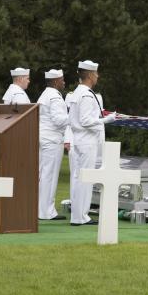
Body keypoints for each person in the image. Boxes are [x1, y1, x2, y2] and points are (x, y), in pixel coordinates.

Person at [68, 60, 116, 226]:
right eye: (95, 74)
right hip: (86, 141)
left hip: (79, 140)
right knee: (85, 179)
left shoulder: (77, 93)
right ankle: (81, 216)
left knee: (78, 178)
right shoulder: (87, 94)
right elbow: (86, 120)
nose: (97, 76)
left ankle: (77, 215)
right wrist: (106, 120)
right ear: (89, 76)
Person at [36, 69, 68, 221]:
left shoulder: (44, 94)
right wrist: (73, 116)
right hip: (52, 140)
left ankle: (40, 209)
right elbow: (58, 120)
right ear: (55, 81)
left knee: (43, 175)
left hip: (43, 138)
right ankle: (47, 211)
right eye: (62, 79)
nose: (64, 82)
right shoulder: (55, 97)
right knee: (50, 175)